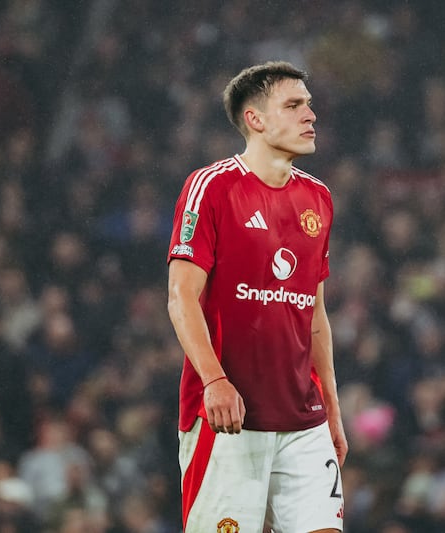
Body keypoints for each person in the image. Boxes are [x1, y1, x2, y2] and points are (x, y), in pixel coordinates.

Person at [166, 61, 348, 532]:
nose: (310, 115)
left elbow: (315, 313)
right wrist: (214, 381)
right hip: (229, 418)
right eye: (294, 105)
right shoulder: (211, 187)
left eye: (309, 104)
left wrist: (331, 405)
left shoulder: (319, 198)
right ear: (256, 119)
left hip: (303, 421)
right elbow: (181, 297)